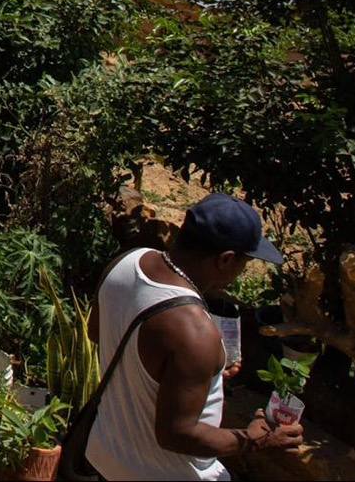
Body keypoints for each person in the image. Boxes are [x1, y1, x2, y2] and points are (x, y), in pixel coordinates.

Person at [86, 193, 305, 480]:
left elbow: (96, 332)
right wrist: (255, 440)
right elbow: (176, 435)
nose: (242, 271)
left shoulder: (127, 263)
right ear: (225, 259)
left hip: (108, 457)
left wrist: (193, 377)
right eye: (245, 261)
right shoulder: (195, 332)